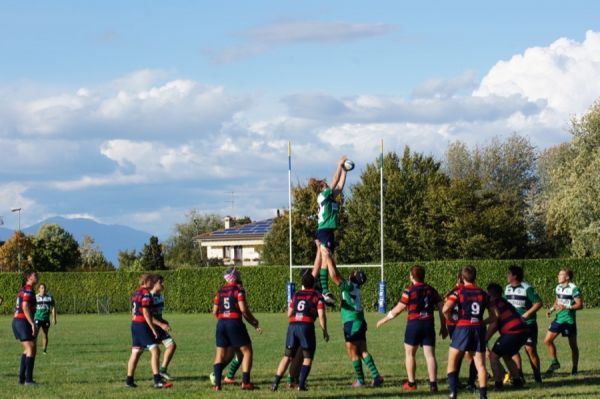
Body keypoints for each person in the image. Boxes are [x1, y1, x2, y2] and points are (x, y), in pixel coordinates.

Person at [377, 265, 447, 392]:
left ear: (412, 276)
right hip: (428, 324)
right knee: (430, 355)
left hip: (414, 325)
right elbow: (442, 307)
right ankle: (433, 385)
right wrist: (443, 325)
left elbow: (398, 309)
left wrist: (384, 320)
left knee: (410, 354)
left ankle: (411, 383)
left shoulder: (409, 290)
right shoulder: (431, 289)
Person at [271, 272, 329, 391]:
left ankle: (275, 384)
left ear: (302, 283)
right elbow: (321, 315)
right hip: (306, 325)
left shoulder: (296, 294)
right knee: (307, 357)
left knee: (287, 356)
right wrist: (324, 331)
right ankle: (301, 385)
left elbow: (289, 313)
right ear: (313, 284)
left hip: (293, 325)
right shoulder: (317, 295)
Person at [443, 265, 494, 399]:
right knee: (481, 365)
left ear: (462, 277)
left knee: (452, 362)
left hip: (462, 327)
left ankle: (453, 393)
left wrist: (452, 320)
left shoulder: (459, 291)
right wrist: (482, 322)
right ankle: (483, 396)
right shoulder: (484, 294)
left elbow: (445, 309)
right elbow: (495, 316)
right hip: (478, 328)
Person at [327, 267, 384, 388]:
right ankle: (376, 377)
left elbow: (334, 276)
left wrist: (326, 259)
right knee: (362, 350)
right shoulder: (354, 286)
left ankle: (360, 381)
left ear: (352, 278)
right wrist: (331, 260)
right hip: (359, 321)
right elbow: (337, 274)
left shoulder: (349, 286)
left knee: (353, 352)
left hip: (352, 322)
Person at [212, 268, 261, 391]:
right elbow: (243, 310)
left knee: (220, 354)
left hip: (221, 323)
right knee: (247, 351)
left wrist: (223, 318)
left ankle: (217, 385)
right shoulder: (239, 290)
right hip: (234, 323)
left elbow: (214, 311)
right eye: (237, 274)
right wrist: (254, 322)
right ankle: (246, 383)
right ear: (235, 277)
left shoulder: (220, 291)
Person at [309, 155, 349, 305]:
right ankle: (324, 291)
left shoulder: (330, 197)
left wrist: (345, 171)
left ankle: (324, 290)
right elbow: (334, 180)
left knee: (325, 260)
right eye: (325, 184)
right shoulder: (322, 195)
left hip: (329, 231)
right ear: (322, 188)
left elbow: (339, 186)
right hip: (324, 230)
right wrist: (339, 165)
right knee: (325, 257)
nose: (328, 185)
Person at [126, 273, 168, 389]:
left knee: (136, 352)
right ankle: (157, 380)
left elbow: (132, 310)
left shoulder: (136, 293)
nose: (152, 283)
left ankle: (129, 380)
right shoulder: (146, 294)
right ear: (145, 282)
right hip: (142, 325)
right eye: (150, 281)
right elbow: (146, 313)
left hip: (134, 324)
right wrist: (153, 329)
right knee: (155, 350)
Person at [486, 283, 529, 390]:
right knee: (507, 355)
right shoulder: (504, 301)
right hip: (524, 330)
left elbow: (494, 323)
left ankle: (498, 385)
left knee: (493, 356)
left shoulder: (492, 303)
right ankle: (517, 381)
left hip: (513, 331)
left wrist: (485, 338)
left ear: (491, 293)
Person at [504, 265, 543, 383]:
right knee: (512, 350)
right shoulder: (507, 288)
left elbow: (538, 303)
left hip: (528, 324)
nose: (507, 275)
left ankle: (537, 378)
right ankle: (519, 376)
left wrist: (526, 314)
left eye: (509, 273)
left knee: (530, 350)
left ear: (514, 276)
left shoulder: (527, 288)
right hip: (513, 325)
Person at [544, 267, 583, 377]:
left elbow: (580, 305)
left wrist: (566, 306)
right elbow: (558, 300)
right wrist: (551, 310)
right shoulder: (558, 287)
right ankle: (555, 362)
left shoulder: (574, 289)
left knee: (573, 345)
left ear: (567, 277)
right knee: (547, 340)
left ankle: (574, 368)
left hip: (569, 321)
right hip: (558, 319)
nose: (558, 276)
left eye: (560, 274)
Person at [12, 269, 39, 385]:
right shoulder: (28, 290)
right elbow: (25, 306)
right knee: (30, 348)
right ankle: (28, 380)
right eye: (35, 275)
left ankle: (22, 378)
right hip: (22, 321)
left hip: (18, 321)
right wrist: (32, 323)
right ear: (29, 277)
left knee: (29, 349)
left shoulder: (24, 289)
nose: (37, 276)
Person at [150, 275, 177, 381]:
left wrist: (163, 321)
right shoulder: (149, 296)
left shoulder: (160, 296)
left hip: (159, 327)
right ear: (154, 284)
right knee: (141, 352)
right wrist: (161, 324)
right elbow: (147, 316)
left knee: (171, 345)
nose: (163, 284)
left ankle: (162, 371)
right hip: (150, 328)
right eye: (161, 282)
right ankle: (130, 377)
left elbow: (157, 314)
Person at [34, 283, 57, 355]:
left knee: (45, 334)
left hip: (46, 319)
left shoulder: (49, 297)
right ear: (39, 289)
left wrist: (54, 318)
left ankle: (44, 350)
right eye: (41, 288)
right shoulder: (35, 297)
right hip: (37, 318)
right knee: (35, 335)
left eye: (44, 288)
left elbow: (53, 307)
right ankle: (33, 350)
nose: (43, 289)